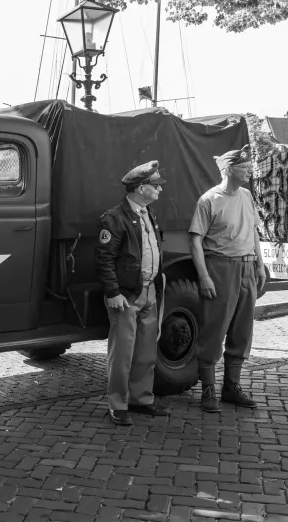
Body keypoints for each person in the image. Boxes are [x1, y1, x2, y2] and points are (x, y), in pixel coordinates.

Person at [188, 144, 267, 413]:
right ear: (229, 169)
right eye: (244, 167)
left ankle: (231, 387)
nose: (249, 171)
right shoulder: (209, 200)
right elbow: (195, 240)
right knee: (214, 328)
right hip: (220, 268)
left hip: (246, 268)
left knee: (242, 330)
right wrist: (204, 276)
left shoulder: (246, 195)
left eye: (249, 166)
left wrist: (260, 263)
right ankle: (208, 390)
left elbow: (254, 232)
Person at [95, 160, 170, 426]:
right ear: (140, 188)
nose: (159, 190)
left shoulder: (149, 214)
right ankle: (118, 403)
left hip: (148, 290)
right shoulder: (114, 218)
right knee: (123, 353)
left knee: (146, 350)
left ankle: (142, 398)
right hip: (126, 295)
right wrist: (113, 292)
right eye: (155, 186)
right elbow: (104, 260)